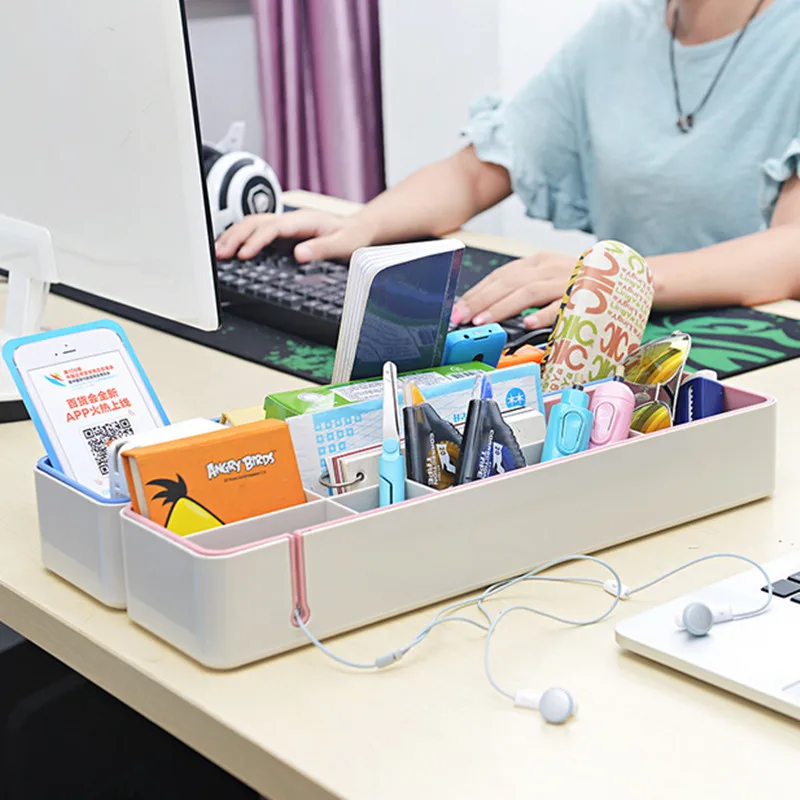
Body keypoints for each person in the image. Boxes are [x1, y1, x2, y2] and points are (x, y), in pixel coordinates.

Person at [216, 0, 800, 332]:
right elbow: (480, 170)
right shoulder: (624, 26)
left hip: (764, 356)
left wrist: (617, 278)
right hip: (616, 336)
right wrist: (361, 226)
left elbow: (791, 250)